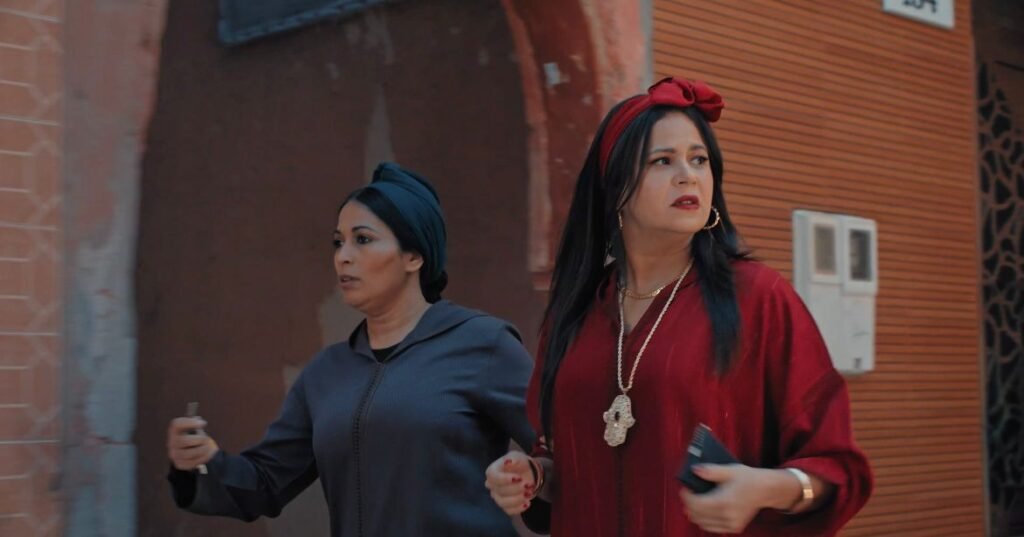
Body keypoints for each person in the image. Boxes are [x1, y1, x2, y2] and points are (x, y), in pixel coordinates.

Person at [484, 78, 873, 536]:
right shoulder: (575, 311)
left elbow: (838, 467)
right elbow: (560, 459)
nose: (688, 175)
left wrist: (766, 489)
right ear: (615, 187)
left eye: (699, 159)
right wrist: (532, 475)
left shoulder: (758, 297)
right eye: (662, 161)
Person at [167, 162, 536, 536]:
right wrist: (202, 462)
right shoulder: (326, 373)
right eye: (338, 242)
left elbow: (555, 455)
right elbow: (264, 482)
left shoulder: (482, 344)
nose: (342, 256)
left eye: (362, 239)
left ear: (414, 255)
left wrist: (528, 476)